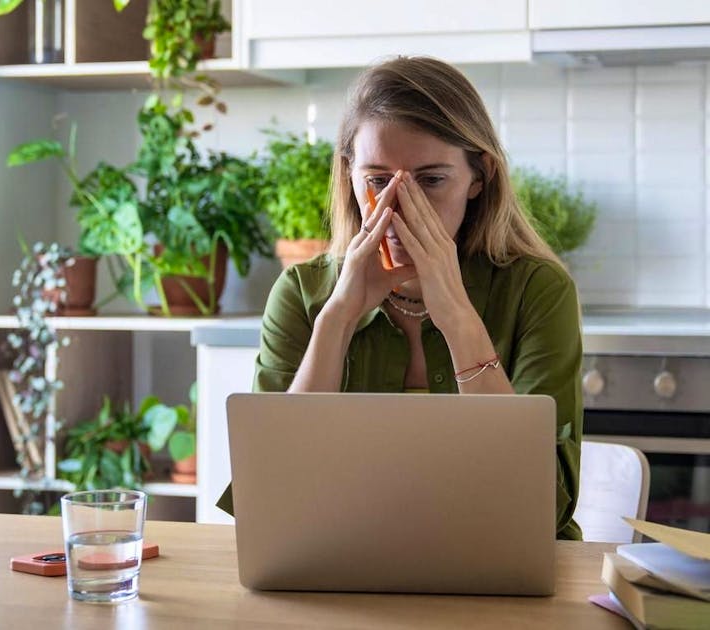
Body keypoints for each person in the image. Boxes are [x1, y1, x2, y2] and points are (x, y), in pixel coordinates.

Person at [218, 56, 583, 540]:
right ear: (349, 175)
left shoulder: (539, 290)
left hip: (501, 569)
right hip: (342, 563)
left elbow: (545, 504)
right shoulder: (301, 293)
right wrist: (339, 317)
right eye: (376, 181)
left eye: (430, 181)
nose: (397, 209)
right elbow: (264, 497)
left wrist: (456, 315)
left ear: (479, 177)